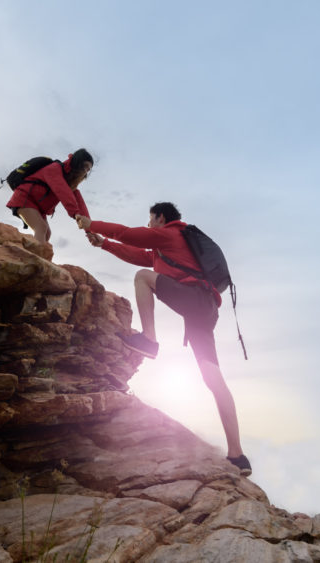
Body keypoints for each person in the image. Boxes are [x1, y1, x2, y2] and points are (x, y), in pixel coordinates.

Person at [76, 202, 252, 476]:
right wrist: (103, 244)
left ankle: (149, 339)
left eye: (150, 219)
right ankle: (238, 456)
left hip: (195, 299)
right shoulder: (170, 249)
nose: (148, 225)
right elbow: (137, 253)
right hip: (205, 310)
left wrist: (91, 224)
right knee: (213, 379)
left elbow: (127, 233)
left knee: (142, 278)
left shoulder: (171, 234)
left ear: (160, 217)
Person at [6, 149, 94, 255]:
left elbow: (81, 205)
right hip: (25, 197)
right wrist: (75, 213)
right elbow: (62, 190)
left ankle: (32, 258)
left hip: (38, 208)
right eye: (85, 166)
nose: (85, 171)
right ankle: (35, 262)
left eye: (88, 170)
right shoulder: (54, 169)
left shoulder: (70, 184)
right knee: (41, 227)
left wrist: (89, 230)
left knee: (47, 234)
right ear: (77, 162)